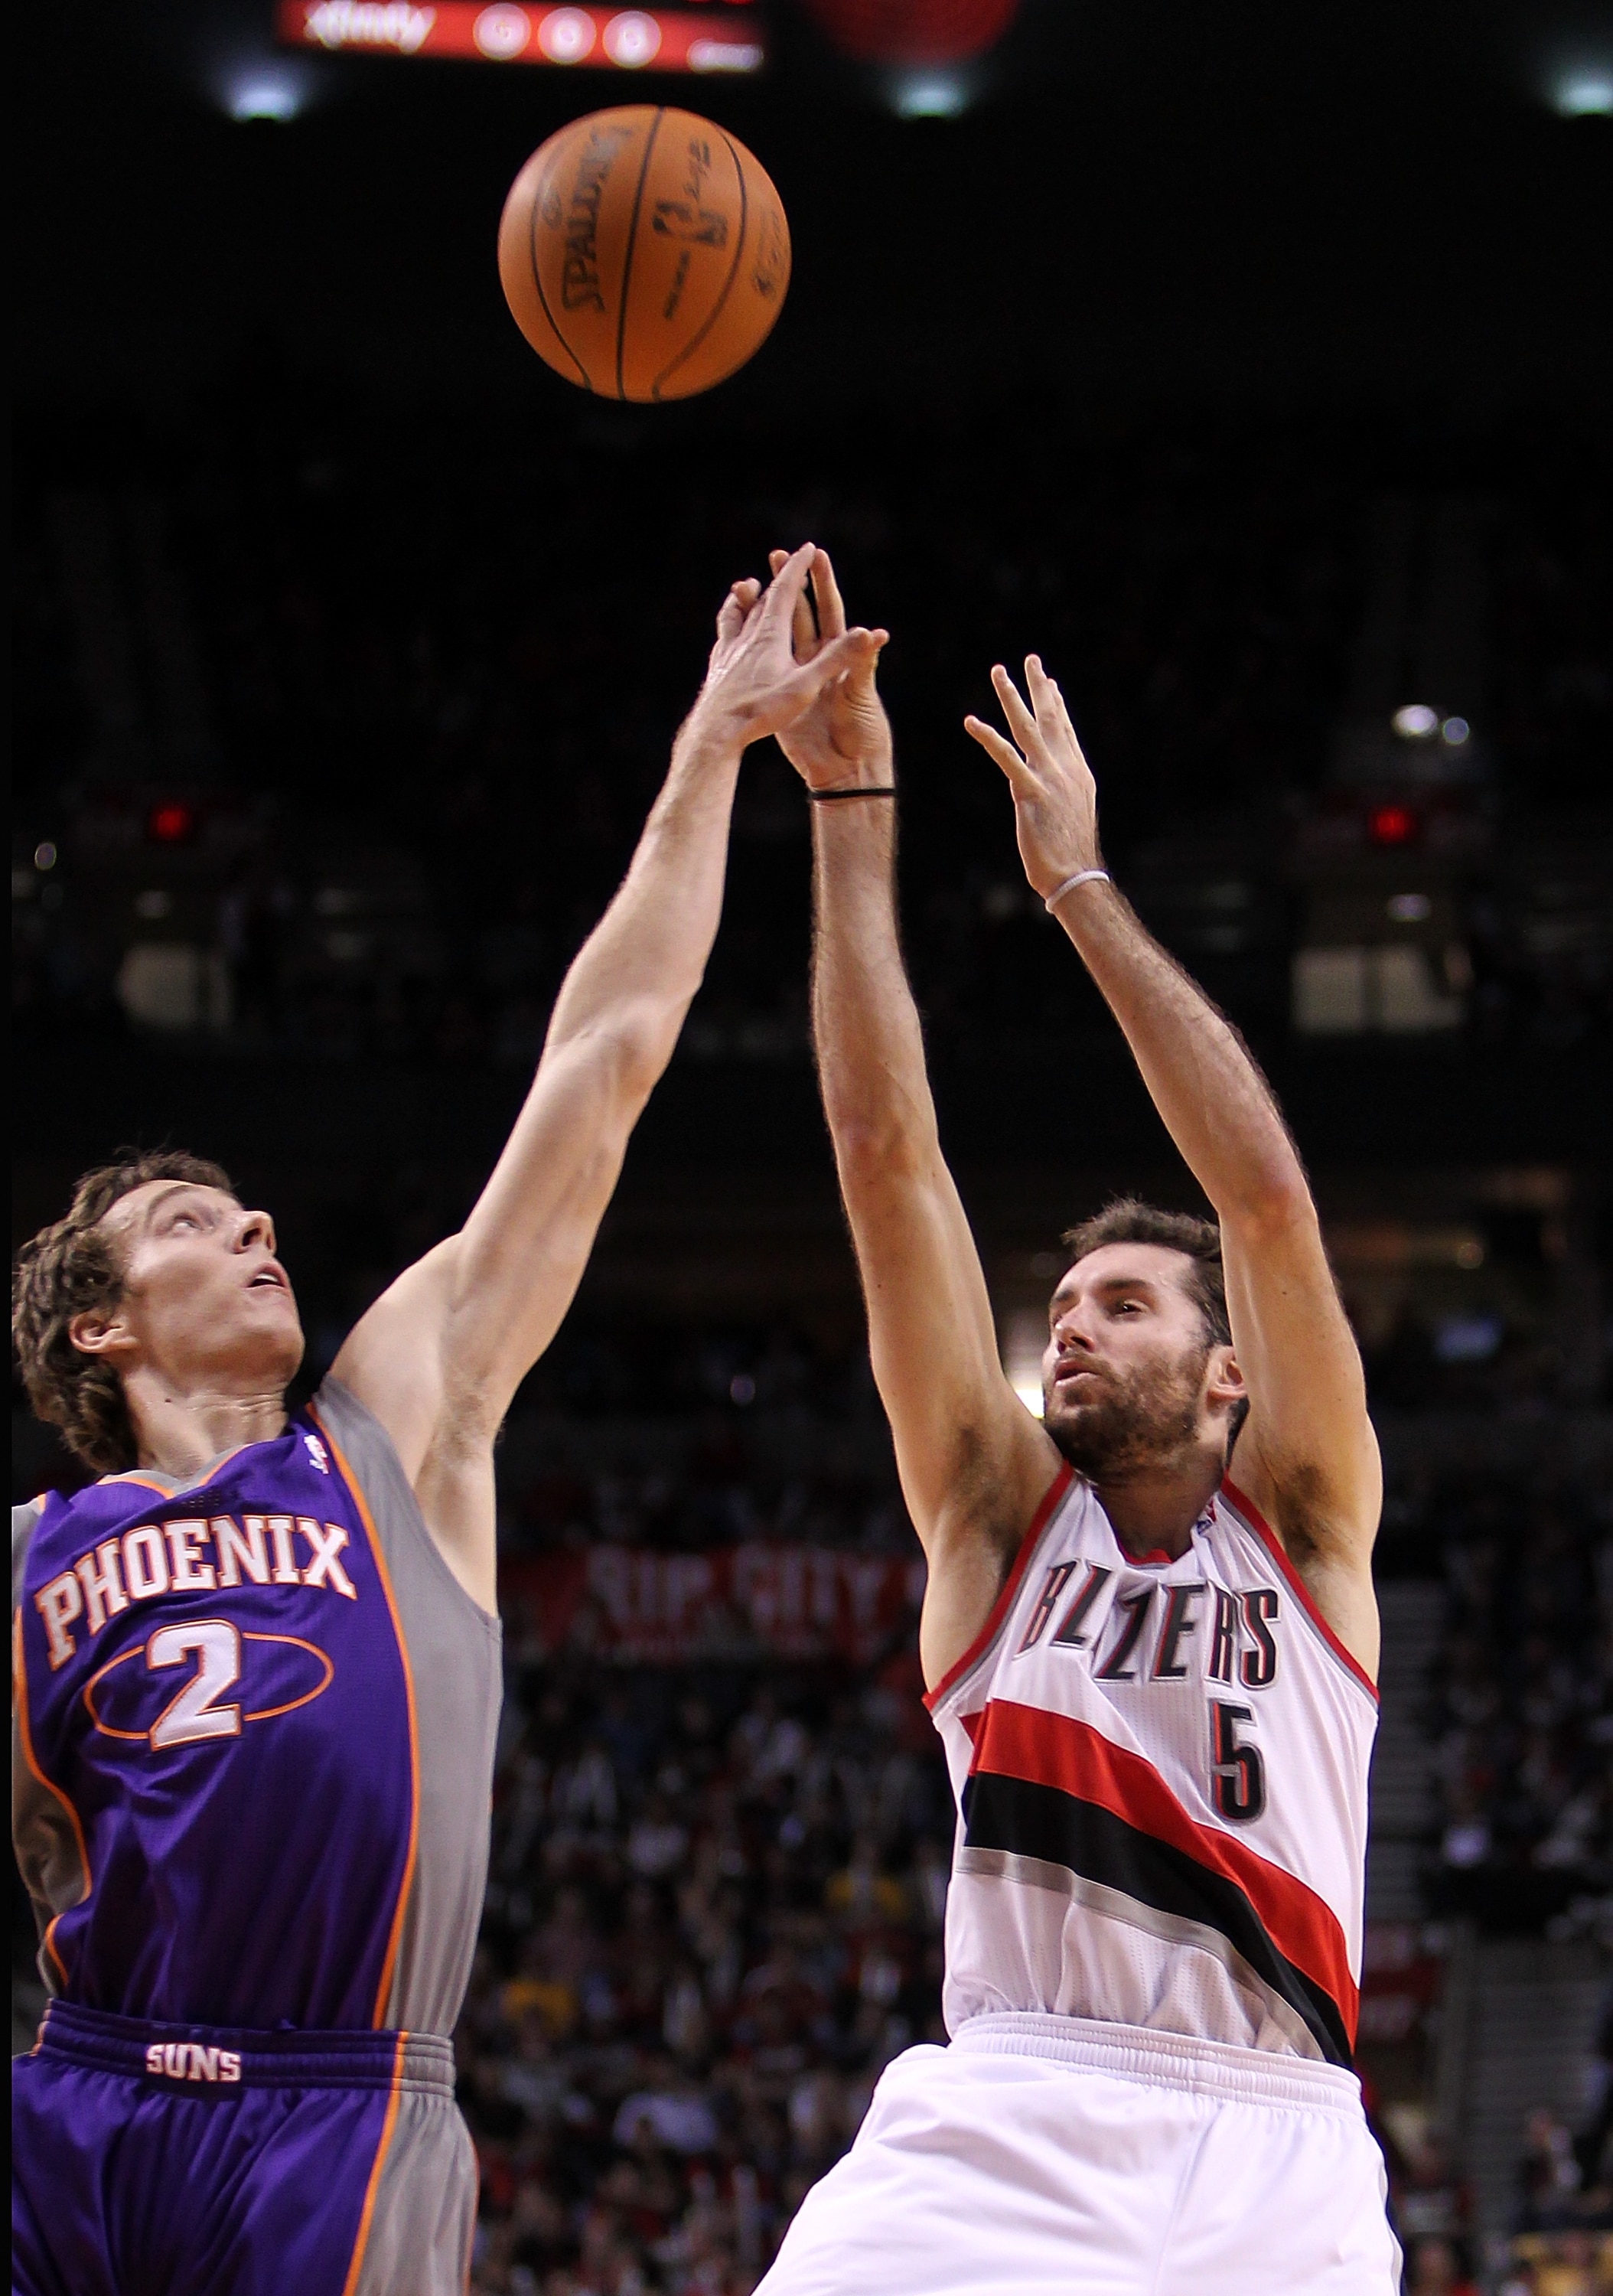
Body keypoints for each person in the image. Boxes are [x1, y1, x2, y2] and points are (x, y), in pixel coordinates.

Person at [9, 545, 883, 2296]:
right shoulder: (33, 1559)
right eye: (190, 1222)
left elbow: (605, 1056)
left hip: (335, 2117)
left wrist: (707, 754)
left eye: (251, 1209)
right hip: (78, 2102)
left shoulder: (391, 1433)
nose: (253, 1227)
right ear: (96, 1329)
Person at [755, 548, 1400, 2292]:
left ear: (1227, 1371)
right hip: (1009, 2116)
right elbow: (887, 1161)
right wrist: (849, 807)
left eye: (1125, 1302)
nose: (1070, 1321)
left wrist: (1079, 886)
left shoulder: (1313, 1524)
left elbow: (1264, 1203)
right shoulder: (991, 1517)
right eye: (1064, 1305)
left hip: (1276, 2139)